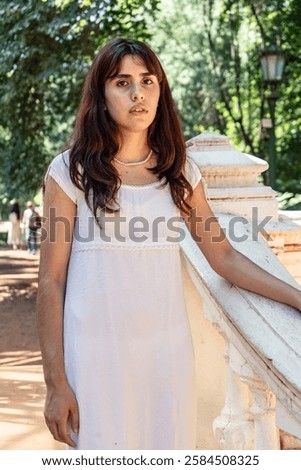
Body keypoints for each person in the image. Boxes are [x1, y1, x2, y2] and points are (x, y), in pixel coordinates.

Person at [36, 38, 301, 451]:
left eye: (147, 81)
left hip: (166, 356)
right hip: (94, 356)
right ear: (101, 96)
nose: (137, 93)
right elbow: (51, 280)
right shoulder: (71, 173)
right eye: (122, 82)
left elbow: (224, 257)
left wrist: (296, 297)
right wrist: (55, 384)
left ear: (161, 91)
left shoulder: (180, 173)